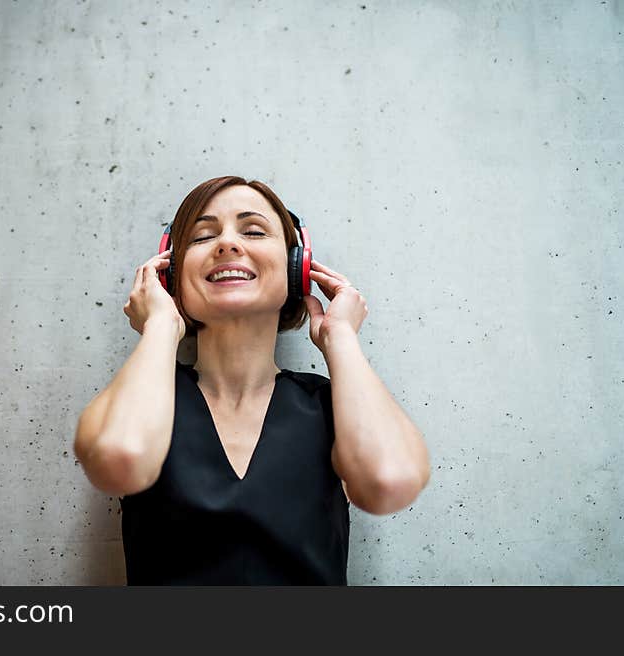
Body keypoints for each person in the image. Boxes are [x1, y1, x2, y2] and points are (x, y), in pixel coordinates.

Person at [74, 175, 431, 585]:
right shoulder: (143, 394)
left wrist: (340, 338)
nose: (228, 244)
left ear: (297, 267)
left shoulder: (330, 404)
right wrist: (159, 324)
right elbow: (119, 459)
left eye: (254, 230)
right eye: (202, 236)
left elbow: (390, 481)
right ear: (169, 276)